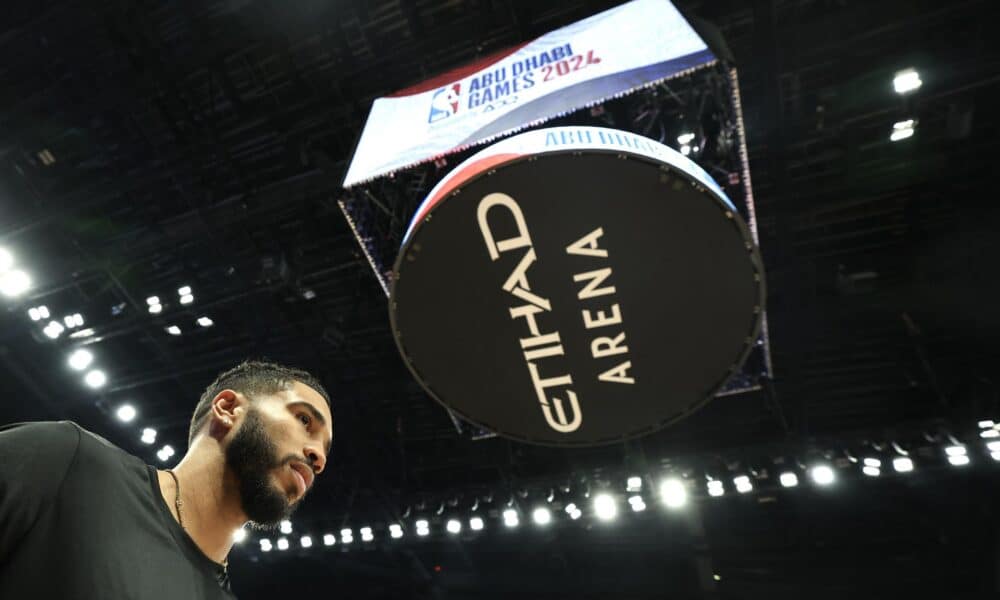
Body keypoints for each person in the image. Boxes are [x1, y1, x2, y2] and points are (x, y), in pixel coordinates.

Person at [0, 360, 333, 599]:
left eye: (325, 449)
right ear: (228, 408)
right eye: (305, 420)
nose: (318, 456)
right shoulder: (69, 462)